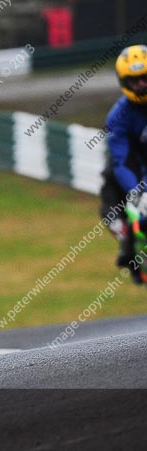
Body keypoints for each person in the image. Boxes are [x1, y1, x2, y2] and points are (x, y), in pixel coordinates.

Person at [101, 45, 147, 284]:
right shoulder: (118, 116)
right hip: (135, 166)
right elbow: (121, 160)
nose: (141, 85)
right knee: (112, 199)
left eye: (145, 79)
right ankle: (129, 250)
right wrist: (138, 191)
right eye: (134, 80)